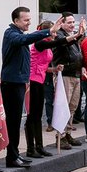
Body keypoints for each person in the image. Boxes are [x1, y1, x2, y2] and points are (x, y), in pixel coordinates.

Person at [1, 7, 60, 168]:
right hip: (11, 83)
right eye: (26, 20)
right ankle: (12, 156)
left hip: (19, 82)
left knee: (15, 122)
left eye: (29, 19)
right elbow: (24, 40)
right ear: (16, 21)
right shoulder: (11, 33)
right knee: (12, 122)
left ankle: (14, 155)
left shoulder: (19, 35)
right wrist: (48, 31)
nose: (29, 22)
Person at [27, 20, 65, 158]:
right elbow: (56, 43)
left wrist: (54, 69)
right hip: (32, 80)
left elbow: (43, 65)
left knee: (38, 115)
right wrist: (75, 36)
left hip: (40, 78)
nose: (55, 34)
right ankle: (31, 148)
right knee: (32, 116)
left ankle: (39, 146)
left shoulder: (46, 45)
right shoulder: (40, 42)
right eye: (54, 31)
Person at [49, 13, 85, 149]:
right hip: (64, 75)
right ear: (62, 23)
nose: (72, 25)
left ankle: (68, 132)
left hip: (75, 75)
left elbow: (79, 55)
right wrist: (79, 35)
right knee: (62, 106)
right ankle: (61, 135)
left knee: (72, 106)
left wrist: (82, 67)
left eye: (73, 22)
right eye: (69, 22)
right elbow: (65, 43)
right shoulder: (59, 36)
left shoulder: (74, 37)